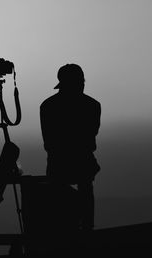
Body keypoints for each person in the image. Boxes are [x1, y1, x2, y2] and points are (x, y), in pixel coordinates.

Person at [40, 63, 101, 230]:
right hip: (81, 163)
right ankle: (87, 227)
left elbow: (49, 142)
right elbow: (90, 137)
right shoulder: (93, 106)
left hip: (58, 164)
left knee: (59, 196)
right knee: (86, 189)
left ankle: (62, 229)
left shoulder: (47, 106)